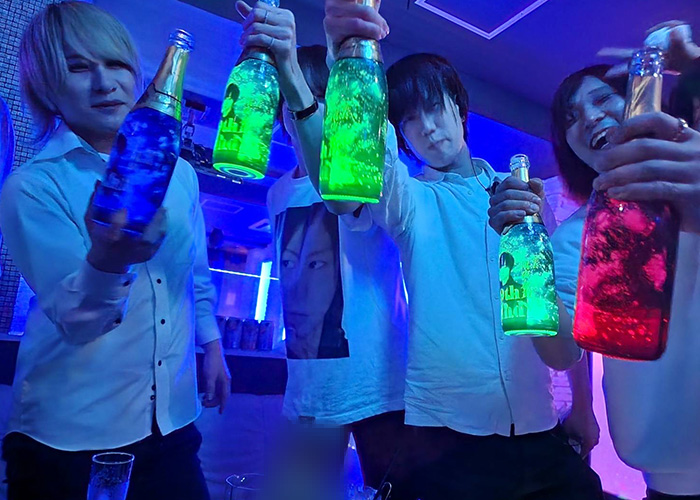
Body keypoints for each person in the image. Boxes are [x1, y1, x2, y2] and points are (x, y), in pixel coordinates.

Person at [278, 2, 605, 499]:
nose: (428, 127)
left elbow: (564, 308)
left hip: (538, 425)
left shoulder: (522, 192)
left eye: (434, 107)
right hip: (445, 435)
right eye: (411, 121)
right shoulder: (411, 201)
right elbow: (349, 171)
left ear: (459, 106)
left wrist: (583, 404)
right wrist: (345, 56)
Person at [0, 3, 230, 499]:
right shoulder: (33, 186)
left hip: (172, 423)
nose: (105, 83)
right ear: (47, 87)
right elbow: (77, 321)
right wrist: (109, 260)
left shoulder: (180, 172)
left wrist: (212, 344)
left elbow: (195, 271)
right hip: (69, 436)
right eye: (78, 68)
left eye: (116, 64)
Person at [490, 45, 700, 496]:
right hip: (667, 479)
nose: (588, 118)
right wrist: (524, 255)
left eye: (603, 99)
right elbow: (561, 352)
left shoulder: (694, 175)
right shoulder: (579, 235)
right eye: (571, 118)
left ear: (639, 100)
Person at [237, 3, 408, 499]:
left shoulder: (360, 167)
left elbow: (358, 189)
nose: (299, 111)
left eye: (315, 98)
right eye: (291, 101)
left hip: (377, 387)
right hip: (307, 384)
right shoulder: (277, 194)